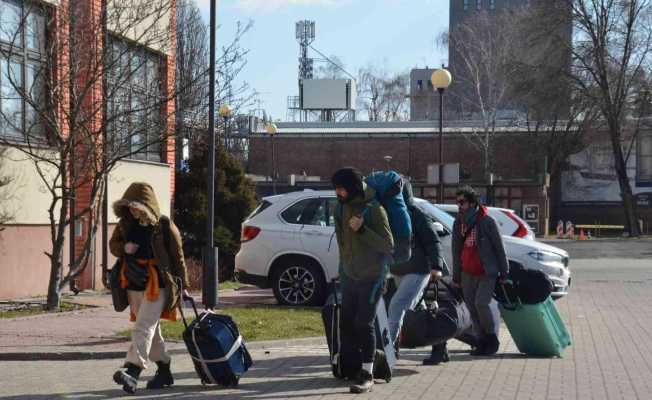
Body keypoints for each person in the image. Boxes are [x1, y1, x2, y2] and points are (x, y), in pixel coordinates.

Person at [109, 182, 189, 394]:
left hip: (158, 284)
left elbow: (178, 258)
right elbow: (113, 245)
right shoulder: (125, 224)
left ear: (146, 206)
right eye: (129, 207)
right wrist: (124, 248)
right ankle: (164, 369)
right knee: (151, 333)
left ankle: (132, 371)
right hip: (133, 283)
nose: (133, 211)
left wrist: (184, 286)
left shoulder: (164, 226)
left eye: (136, 207)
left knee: (143, 327)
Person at [332, 167, 394, 394]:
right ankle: (362, 365)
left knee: (363, 324)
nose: (337, 192)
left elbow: (388, 246)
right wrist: (342, 269)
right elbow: (341, 243)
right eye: (336, 188)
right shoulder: (339, 208)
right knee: (346, 323)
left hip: (373, 277)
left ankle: (367, 374)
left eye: (341, 188)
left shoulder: (375, 210)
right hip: (350, 276)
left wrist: (362, 231)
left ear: (352, 187)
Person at [387, 180, 448, 356]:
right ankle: (440, 343)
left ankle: (390, 348)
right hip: (399, 269)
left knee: (397, 306)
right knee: (416, 308)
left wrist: (436, 266)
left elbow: (432, 241)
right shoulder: (391, 215)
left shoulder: (418, 215)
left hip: (418, 269)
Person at [451, 186, 509, 356]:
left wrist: (504, 272)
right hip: (467, 272)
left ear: (472, 202)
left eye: (462, 202)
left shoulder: (487, 221)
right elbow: (456, 250)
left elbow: (499, 248)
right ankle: (480, 341)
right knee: (471, 307)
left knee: (481, 303)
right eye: (457, 202)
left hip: (486, 271)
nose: (459, 206)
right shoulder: (458, 223)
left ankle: (491, 339)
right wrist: (456, 276)